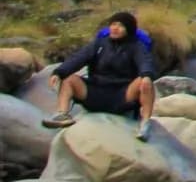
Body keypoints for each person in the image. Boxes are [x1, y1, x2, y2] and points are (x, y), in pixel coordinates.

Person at [42, 10, 157, 138]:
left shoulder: (137, 46)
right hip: (95, 91)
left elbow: (145, 62)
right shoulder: (100, 43)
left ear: (128, 29)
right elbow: (79, 58)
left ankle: (145, 123)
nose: (115, 28)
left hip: (121, 95)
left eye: (120, 25)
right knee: (69, 80)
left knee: (145, 81)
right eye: (113, 24)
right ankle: (62, 114)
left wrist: (146, 75)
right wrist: (58, 72)